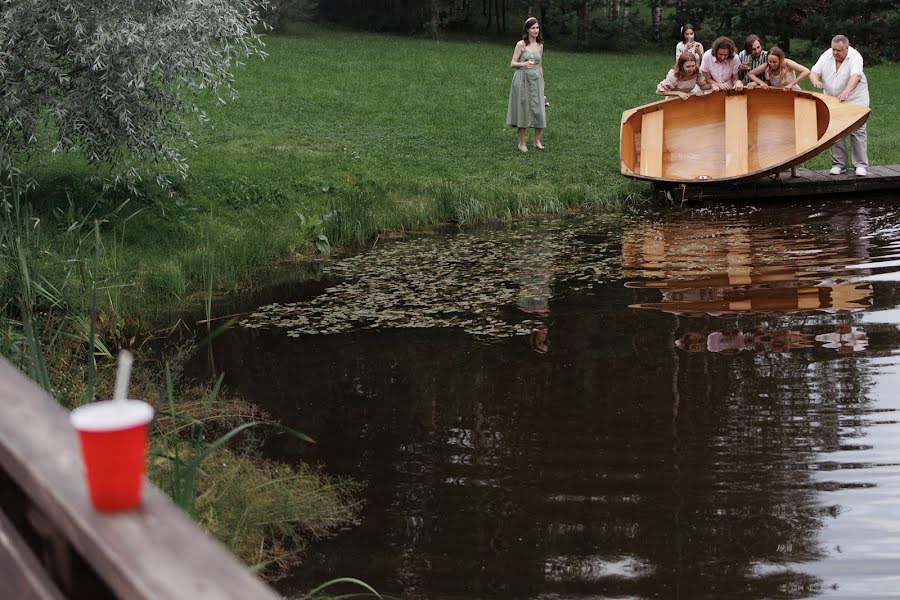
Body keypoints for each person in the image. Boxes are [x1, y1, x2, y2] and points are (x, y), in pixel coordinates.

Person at [809, 34, 869, 176]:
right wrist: (815, 80)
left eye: (839, 50)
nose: (835, 53)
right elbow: (813, 72)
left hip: (856, 99)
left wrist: (847, 91)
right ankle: (839, 164)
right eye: (833, 49)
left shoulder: (855, 57)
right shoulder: (827, 55)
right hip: (832, 99)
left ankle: (860, 165)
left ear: (847, 48)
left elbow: (856, 76)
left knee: (858, 130)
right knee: (835, 130)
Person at [748, 47, 812, 179]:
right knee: (777, 134)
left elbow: (806, 71)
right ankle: (777, 170)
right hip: (777, 100)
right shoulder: (768, 66)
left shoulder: (788, 63)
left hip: (791, 97)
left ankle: (794, 167)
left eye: (774, 62)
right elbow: (751, 73)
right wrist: (761, 83)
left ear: (780, 59)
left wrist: (791, 84)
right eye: (770, 62)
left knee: (791, 133)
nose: (771, 64)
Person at [506, 17, 546, 153]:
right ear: (527, 30)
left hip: (536, 80)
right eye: (533, 28)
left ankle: (537, 141)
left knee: (539, 110)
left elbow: (540, 66)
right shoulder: (521, 44)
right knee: (523, 110)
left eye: (537, 27)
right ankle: (522, 143)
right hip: (522, 80)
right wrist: (524, 64)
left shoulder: (540, 45)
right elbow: (512, 63)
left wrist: (542, 82)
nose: (536, 30)